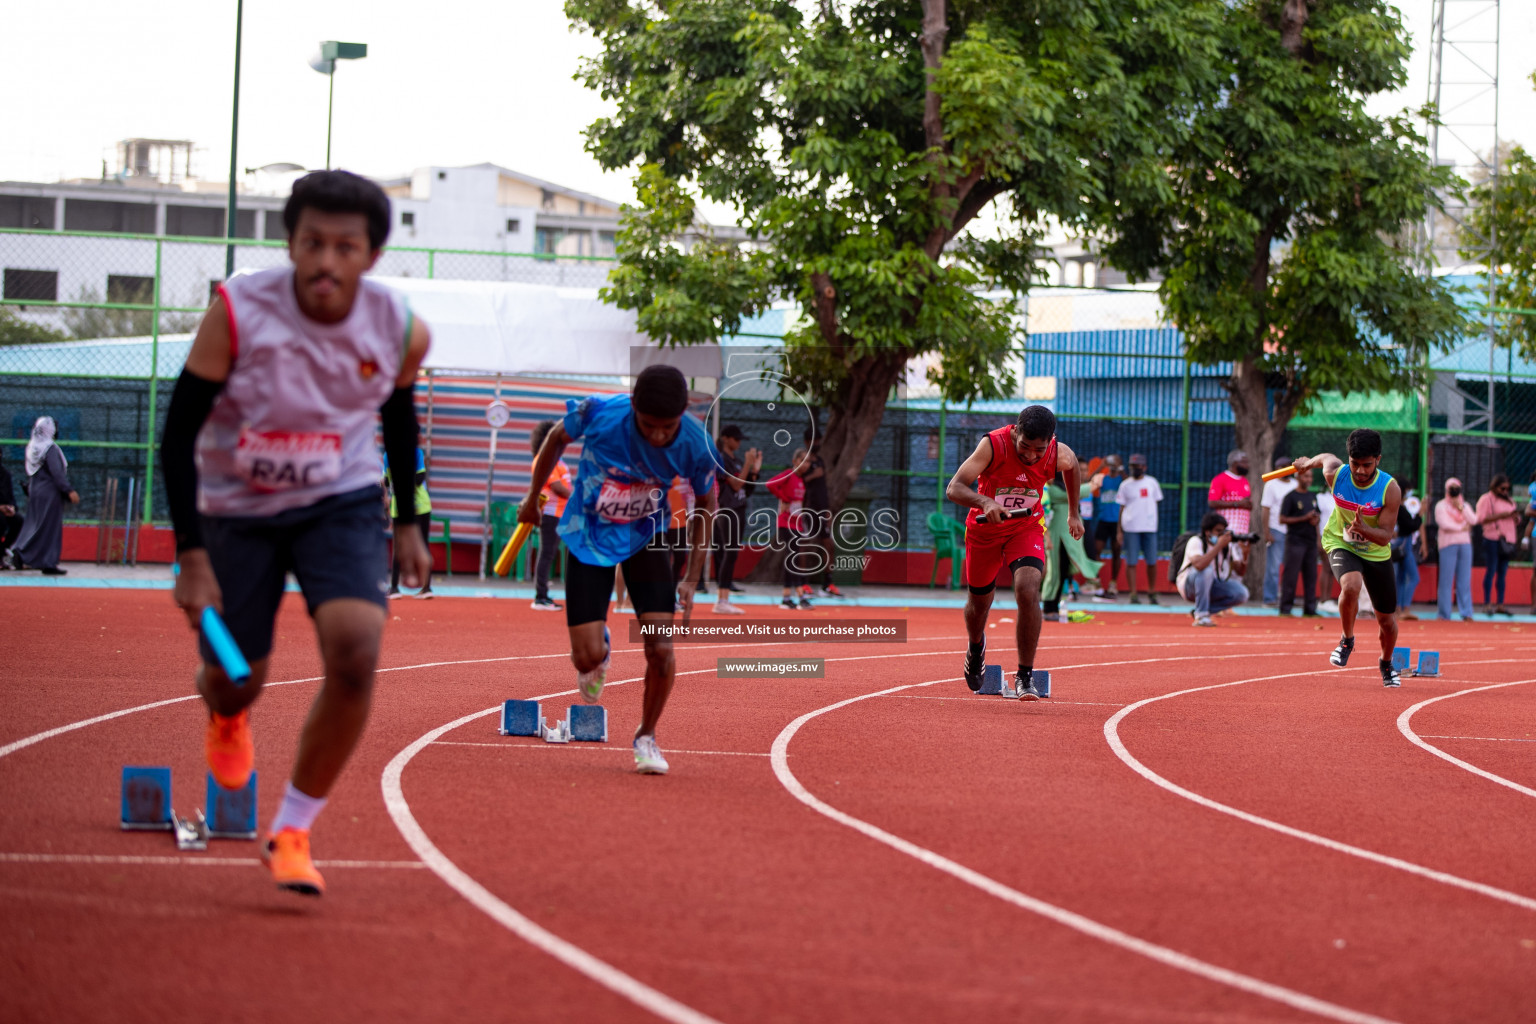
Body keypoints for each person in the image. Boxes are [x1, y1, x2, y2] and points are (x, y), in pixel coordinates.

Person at [160, 170, 433, 896]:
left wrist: (409, 520)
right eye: (311, 243)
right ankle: (224, 710)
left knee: (355, 652)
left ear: (370, 256)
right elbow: (178, 430)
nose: (325, 262)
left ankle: (292, 829)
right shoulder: (240, 311)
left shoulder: (400, 328)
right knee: (232, 674)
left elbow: (398, 422)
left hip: (338, 501)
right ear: (290, 244)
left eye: (345, 247)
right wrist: (190, 552)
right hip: (232, 509)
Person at [518, 364, 717, 775]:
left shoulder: (696, 444)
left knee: (661, 648)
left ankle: (647, 736)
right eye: (649, 425)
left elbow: (707, 508)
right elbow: (555, 439)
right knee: (584, 659)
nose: (659, 435)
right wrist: (532, 495)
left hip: (646, 536)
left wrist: (693, 576)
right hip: (589, 534)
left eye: (668, 427)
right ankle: (600, 650)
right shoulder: (599, 413)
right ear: (632, 409)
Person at [946, 404, 1083, 700]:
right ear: (1015, 432)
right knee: (979, 603)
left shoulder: (1058, 453)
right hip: (984, 530)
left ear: (1050, 441)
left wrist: (1074, 512)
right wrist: (984, 502)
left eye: (1038, 449)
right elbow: (954, 488)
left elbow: (1072, 468)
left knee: (1028, 588)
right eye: (1025, 446)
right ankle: (975, 645)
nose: (1031, 455)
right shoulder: (992, 445)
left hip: (1026, 527)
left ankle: (1025, 674)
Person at [1292, 429, 1404, 686]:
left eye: (1367, 465)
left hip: (1376, 550)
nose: (1361, 471)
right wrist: (1307, 463)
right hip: (1341, 542)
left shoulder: (1390, 489)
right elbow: (1326, 457)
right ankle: (1347, 640)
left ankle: (1386, 663)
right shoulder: (1336, 474)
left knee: (1386, 621)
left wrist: (1364, 528)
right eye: (1355, 464)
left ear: (1378, 459)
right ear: (1349, 459)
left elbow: (1386, 536)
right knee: (1351, 585)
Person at [8, 416, 80, 575]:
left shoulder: (33, 446)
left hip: (35, 490)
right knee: (50, 528)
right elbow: (57, 473)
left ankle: (20, 551)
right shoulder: (50, 448)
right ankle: (48, 562)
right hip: (50, 493)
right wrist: (68, 490)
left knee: (33, 524)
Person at [710, 425, 759, 614]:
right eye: (736, 439)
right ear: (726, 439)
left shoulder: (737, 461)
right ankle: (722, 599)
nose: (739, 443)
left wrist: (754, 470)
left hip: (739, 508)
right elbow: (736, 485)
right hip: (727, 509)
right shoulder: (722, 460)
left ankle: (724, 598)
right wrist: (747, 465)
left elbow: (747, 489)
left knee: (732, 553)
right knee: (728, 553)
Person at [1043, 471, 1100, 622]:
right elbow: (1074, 492)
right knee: (1054, 572)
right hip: (1056, 537)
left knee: (1062, 572)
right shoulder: (1052, 491)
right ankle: (1049, 608)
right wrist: (1093, 484)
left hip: (1067, 538)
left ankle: (1053, 607)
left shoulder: (1060, 489)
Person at [1175, 513, 1249, 626]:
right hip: (1189, 585)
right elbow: (1199, 565)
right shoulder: (1196, 541)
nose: (1221, 535)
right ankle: (1201, 616)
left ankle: (1201, 611)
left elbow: (1240, 572)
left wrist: (1245, 554)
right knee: (1206, 570)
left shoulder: (1227, 546)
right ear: (1207, 532)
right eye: (1218, 531)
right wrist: (1218, 546)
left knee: (1241, 593)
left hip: (1212, 584)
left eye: (1223, 531)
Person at [530, 419, 571, 611]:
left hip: (560, 513)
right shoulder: (544, 458)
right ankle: (540, 596)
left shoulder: (555, 458)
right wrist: (576, 497)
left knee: (550, 553)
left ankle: (543, 594)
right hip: (549, 512)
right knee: (546, 553)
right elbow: (556, 487)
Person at [797, 427, 842, 598]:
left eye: (818, 440)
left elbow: (823, 488)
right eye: (813, 441)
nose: (817, 444)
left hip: (821, 509)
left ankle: (828, 583)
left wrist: (827, 509)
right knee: (805, 544)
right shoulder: (802, 462)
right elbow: (797, 482)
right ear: (806, 442)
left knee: (828, 544)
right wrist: (812, 476)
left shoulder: (821, 461)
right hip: (806, 508)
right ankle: (803, 583)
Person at [386, 446, 434, 599]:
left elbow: (420, 479)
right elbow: (385, 482)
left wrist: (400, 483)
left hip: (419, 506)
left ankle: (426, 587)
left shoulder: (415, 452)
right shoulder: (388, 454)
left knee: (422, 544)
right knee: (399, 547)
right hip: (402, 507)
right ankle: (394, 587)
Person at [766, 454, 813, 610]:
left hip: (797, 524)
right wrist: (784, 498)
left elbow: (799, 504)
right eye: (802, 461)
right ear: (795, 461)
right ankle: (800, 595)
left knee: (792, 558)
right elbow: (771, 484)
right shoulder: (788, 474)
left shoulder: (801, 480)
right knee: (793, 558)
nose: (805, 465)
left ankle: (787, 596)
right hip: (786, 523)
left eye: (808, 462)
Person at [1116, 453, 1164, 604]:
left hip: (1149, 527)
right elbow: (1121, 508)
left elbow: (1156, 503)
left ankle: (1151, 591)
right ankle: (1133, 594)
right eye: (1132, 466)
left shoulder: (1152, 483)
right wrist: (1119, 530)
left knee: (1152, 561)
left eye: (1138, 466)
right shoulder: (1125, 485)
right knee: (1131, 561)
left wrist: (1151, 519)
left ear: (1144, 467)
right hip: (1131, 527)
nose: (1135, 469)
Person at [1277, 466, 1320, 616]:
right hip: (1295, 540)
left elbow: (1316, 517)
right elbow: (1282, 519)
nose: (1308, 480)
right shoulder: (1290, 497)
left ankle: (1310, 609)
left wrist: (1316, 523)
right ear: (1298, 477)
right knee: (1291, 575)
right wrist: (1304, 518)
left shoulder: (1312, 496)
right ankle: (1285, 609)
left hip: (1310, 541)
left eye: (1310, 477)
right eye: (1305, 476)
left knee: (1311, 576)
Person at [1433, 477, 1477, 621]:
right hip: (1447, 544)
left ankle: (1466, 612)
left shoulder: (1465, 505)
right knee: (1446, 580)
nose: (1454, 492)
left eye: (1456, 489)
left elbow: (1474, 520)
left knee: (1464, 580)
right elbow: (1444, 524)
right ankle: (1444, 613)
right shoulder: (1441, 506)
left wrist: (1461, 507)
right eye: (1452, 489)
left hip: (1465, 544)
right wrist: (1461, 528)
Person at [1474, 474, 1519, 616]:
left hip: (1508, 540)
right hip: (1492, 538)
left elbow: (1514, 519)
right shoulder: (1486, 499)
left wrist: (1515, 517)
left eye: (1507, 489)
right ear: (1495, 486)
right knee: (1491, 570)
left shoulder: (1510, 501)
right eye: (1502, 488)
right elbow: (1480, 519)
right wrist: (1501, 516)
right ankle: (1487, 603)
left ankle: (1500, 604)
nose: (1505, 491)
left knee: (1503, 573)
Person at [1260, 454, 1297, 606]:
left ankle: (1287, 599)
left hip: (1293, 531)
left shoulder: (1295, 484)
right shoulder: (1271, 484)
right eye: (1279, 468)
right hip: (1276, 529)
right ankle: (1270, 598)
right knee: (1274, 567)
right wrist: (1266, 531)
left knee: (1291, 567)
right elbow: (1265, 509)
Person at [1089, 455, 1123, 599]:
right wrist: (1102, 465)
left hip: (1117, 522)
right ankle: (1097, 582)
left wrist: (1120, 468)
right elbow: (1090, 479)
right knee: (1096, 550)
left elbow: (1128, 480)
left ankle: (1113, 583)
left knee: (1116, 551)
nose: (1113, 465)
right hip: (1103, 520)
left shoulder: (1122, 481)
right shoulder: (1103, 478)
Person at [1392, 478, 1423, 621]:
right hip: (1405, 543)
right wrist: (1420, 514)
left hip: (1402, 541)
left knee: (1401, 577)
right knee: (1414, 577)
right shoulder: (1401, 508)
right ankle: (1405, 607)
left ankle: (1399, 608)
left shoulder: (1398, 506)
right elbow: (1411, 526)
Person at [1208, 449, 1253, 534]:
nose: (1247, 465)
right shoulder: (1220, 479)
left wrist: (1248, 504)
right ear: (1235, 463)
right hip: (1226, 527)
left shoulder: (1244, 481)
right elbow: (1212, 502)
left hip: (1243, 528)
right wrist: (1237, 504)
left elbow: (1247, 503)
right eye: (1244, 462)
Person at [0, 446, 25, 565]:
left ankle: (3, 549)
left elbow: (10, 497)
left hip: (4, 510)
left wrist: (12, 508)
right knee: (0, 521)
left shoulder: (5, 474)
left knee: (18, 520)